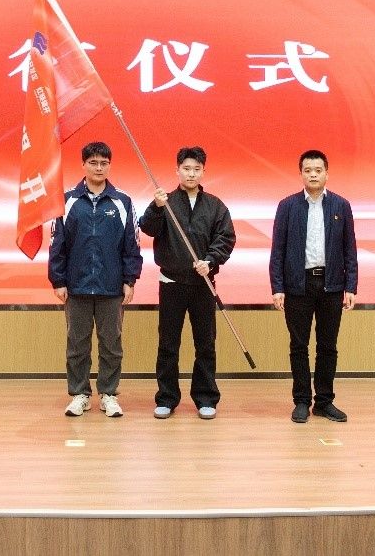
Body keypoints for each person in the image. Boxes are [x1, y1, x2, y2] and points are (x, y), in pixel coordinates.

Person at [138, 146, 235, 420]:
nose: (191, 174)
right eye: (186, 169)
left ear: (203, 172)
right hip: (171, 283)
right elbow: (147, 227)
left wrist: (210, 260)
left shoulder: (215, 206)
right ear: (177, 170)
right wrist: (156, 208)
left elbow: (226, 238)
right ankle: (167, 398)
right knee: (168, 344)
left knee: (205, 344)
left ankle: (205, 397)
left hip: (203, 284)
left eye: (196, 169)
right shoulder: (165, 201)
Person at [48, 142, 142, 417]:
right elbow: (57, 243)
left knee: (111, 343)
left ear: (109, 166)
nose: (98, 168)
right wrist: (58, 280)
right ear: (83, 165)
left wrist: (130, 280)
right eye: (93, 163)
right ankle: (80, 394)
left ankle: (108, 394)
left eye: (103, 163)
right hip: (76, 286)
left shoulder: (123, 201)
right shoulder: (67, 200)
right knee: (77, 344)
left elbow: (132, 244)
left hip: (111, 287)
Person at [269, 149, 357, 424]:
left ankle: (324, 402)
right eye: (308, 170)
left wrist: (351, 286)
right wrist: (277, 287)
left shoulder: (341, 206)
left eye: (318, 170)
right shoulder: (287, 206)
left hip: (332, 285)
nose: (313, 175)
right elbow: (278, 250)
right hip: (298, 285)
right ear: (301, 174)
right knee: (299, 345)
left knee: (328, 346)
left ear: (327, 173)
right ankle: (301, 401)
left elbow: (350, 249)